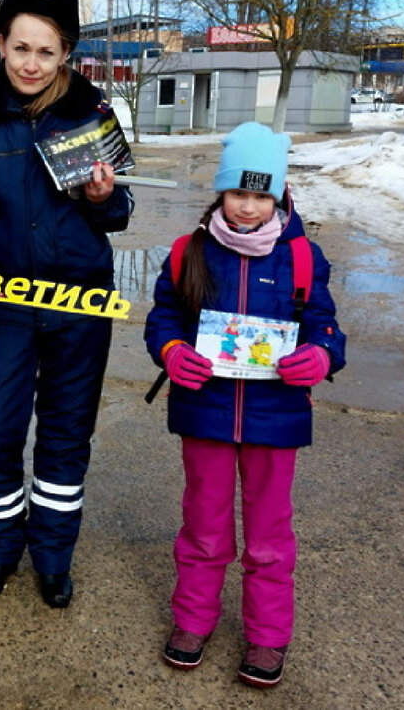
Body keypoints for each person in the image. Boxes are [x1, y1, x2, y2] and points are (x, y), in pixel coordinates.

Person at [0, 0, 134, 608]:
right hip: (8, 306)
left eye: (46, 51)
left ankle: (52, 557)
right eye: (21, 48)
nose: (31, 64)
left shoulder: (93, 115)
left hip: (80, 307)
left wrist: (102, 197)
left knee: (67, 435)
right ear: (1, 44)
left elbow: (121, 207)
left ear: (66, 52)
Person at [143, 121, 347, 688]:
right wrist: (171, 349)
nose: (249, 207)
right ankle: (193, 620)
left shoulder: (303, 258)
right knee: (204, 526)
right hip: (204, 412)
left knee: (269, 536)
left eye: (261, 195)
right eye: (239, 193)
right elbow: (163, 317)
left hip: (276, 418)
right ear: (221, 192)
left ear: (279, 194)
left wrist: (321, 356)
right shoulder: (190, 253)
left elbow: (325, 327)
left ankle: (266, 635)